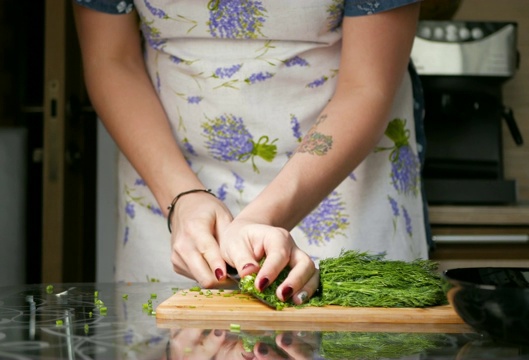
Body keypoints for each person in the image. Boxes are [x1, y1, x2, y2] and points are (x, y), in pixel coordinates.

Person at [72, 0, 430, 305]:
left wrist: (263, 217)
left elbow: (366, 86)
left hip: (339, 182)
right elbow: (111, 59)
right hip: (167, 179)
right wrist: (182, 198)